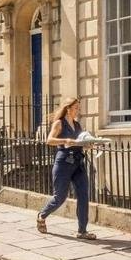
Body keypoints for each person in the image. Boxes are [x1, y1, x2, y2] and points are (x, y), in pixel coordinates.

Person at [36, 97, 96, 240]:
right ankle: (42, 215)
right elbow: (49, 140)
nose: (78, 110)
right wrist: (65, 140)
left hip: (78, 163)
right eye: (76, 108)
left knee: (83, 196)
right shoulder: (59, 123)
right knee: (60, 197)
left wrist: (88, 145)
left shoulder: (77, 125)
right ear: (68, 109)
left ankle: (82, 231)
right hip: (63, 163)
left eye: (79, 108)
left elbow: (79, 143)